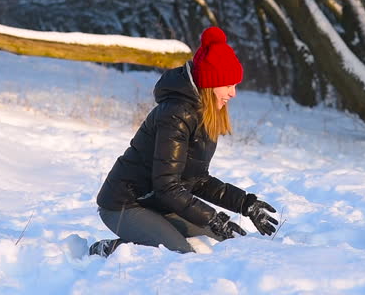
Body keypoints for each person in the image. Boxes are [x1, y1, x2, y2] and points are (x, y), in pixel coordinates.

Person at [90, 27, 278, 256]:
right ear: (210, 83)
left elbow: (196, 180)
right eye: (228, 85)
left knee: (226, 242)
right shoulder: (176, 115)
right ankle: (109, 250)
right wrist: (213, 218)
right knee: (179, 254)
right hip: (125, 204)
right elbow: (167, 186)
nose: (233, 93)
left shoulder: (204, 113)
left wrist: (245, 204)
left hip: (160, 203)